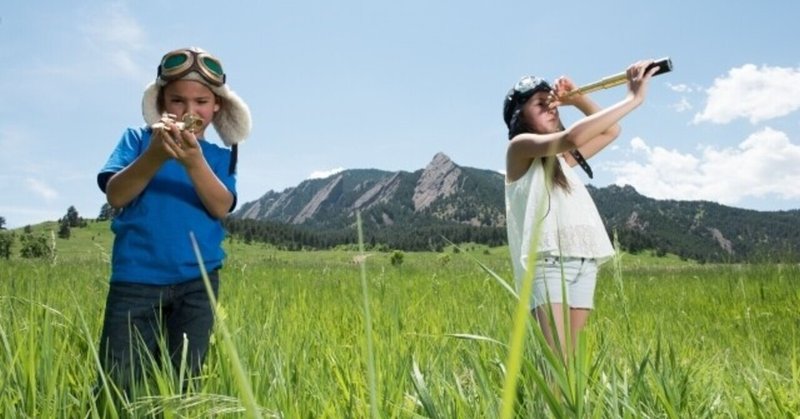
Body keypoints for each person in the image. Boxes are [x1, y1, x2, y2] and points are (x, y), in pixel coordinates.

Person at [96, 47, 251, 395]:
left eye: (201, 102)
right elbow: (116, 195)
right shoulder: (137, 141)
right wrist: (155, 155)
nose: (189, 111)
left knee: (185, 380)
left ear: (216, 108)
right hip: (136, 279)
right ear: (163, 103)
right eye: (178, 101)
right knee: (118, 379)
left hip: (198, 283)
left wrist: (194, 162)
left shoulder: (219, 157)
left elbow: (221, 206)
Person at [503, 60, 656, 356]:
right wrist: (633, 99)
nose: (551, 108)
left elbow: (610, 131)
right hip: (548, 263)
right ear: (519, 117)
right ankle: (545, 404)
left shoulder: (563, 162)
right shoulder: (519, 148)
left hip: (583, 261)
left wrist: (577, 100)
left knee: (568, 360)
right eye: (540, 104)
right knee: (557, 361)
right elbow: (571, 138)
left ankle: (565, 404)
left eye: (552, 102)